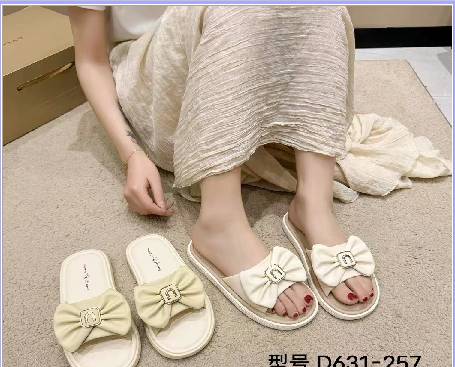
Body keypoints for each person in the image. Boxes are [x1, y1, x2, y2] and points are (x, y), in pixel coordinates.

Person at [68, 5, 376, 321]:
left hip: (238, 73)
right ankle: (221, 222)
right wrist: (131, 153)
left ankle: (314, 204)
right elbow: (91, 61)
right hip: (159, 88)